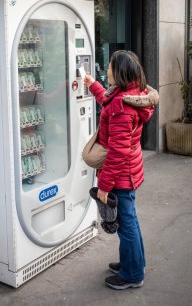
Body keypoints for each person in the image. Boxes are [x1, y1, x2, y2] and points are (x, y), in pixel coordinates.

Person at [84, 50, 157, 290]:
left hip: (121, 175)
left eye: (111, 67)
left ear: (121, 73)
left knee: (125, 225)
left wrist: (104, 186)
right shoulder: (130, 95)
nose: (107, 71)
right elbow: (106, 100)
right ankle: (134, 263)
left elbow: (117, 152)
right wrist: (92, 85)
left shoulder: (121, 107)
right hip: (129, 171)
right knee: (130, 221)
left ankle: (132, 274)